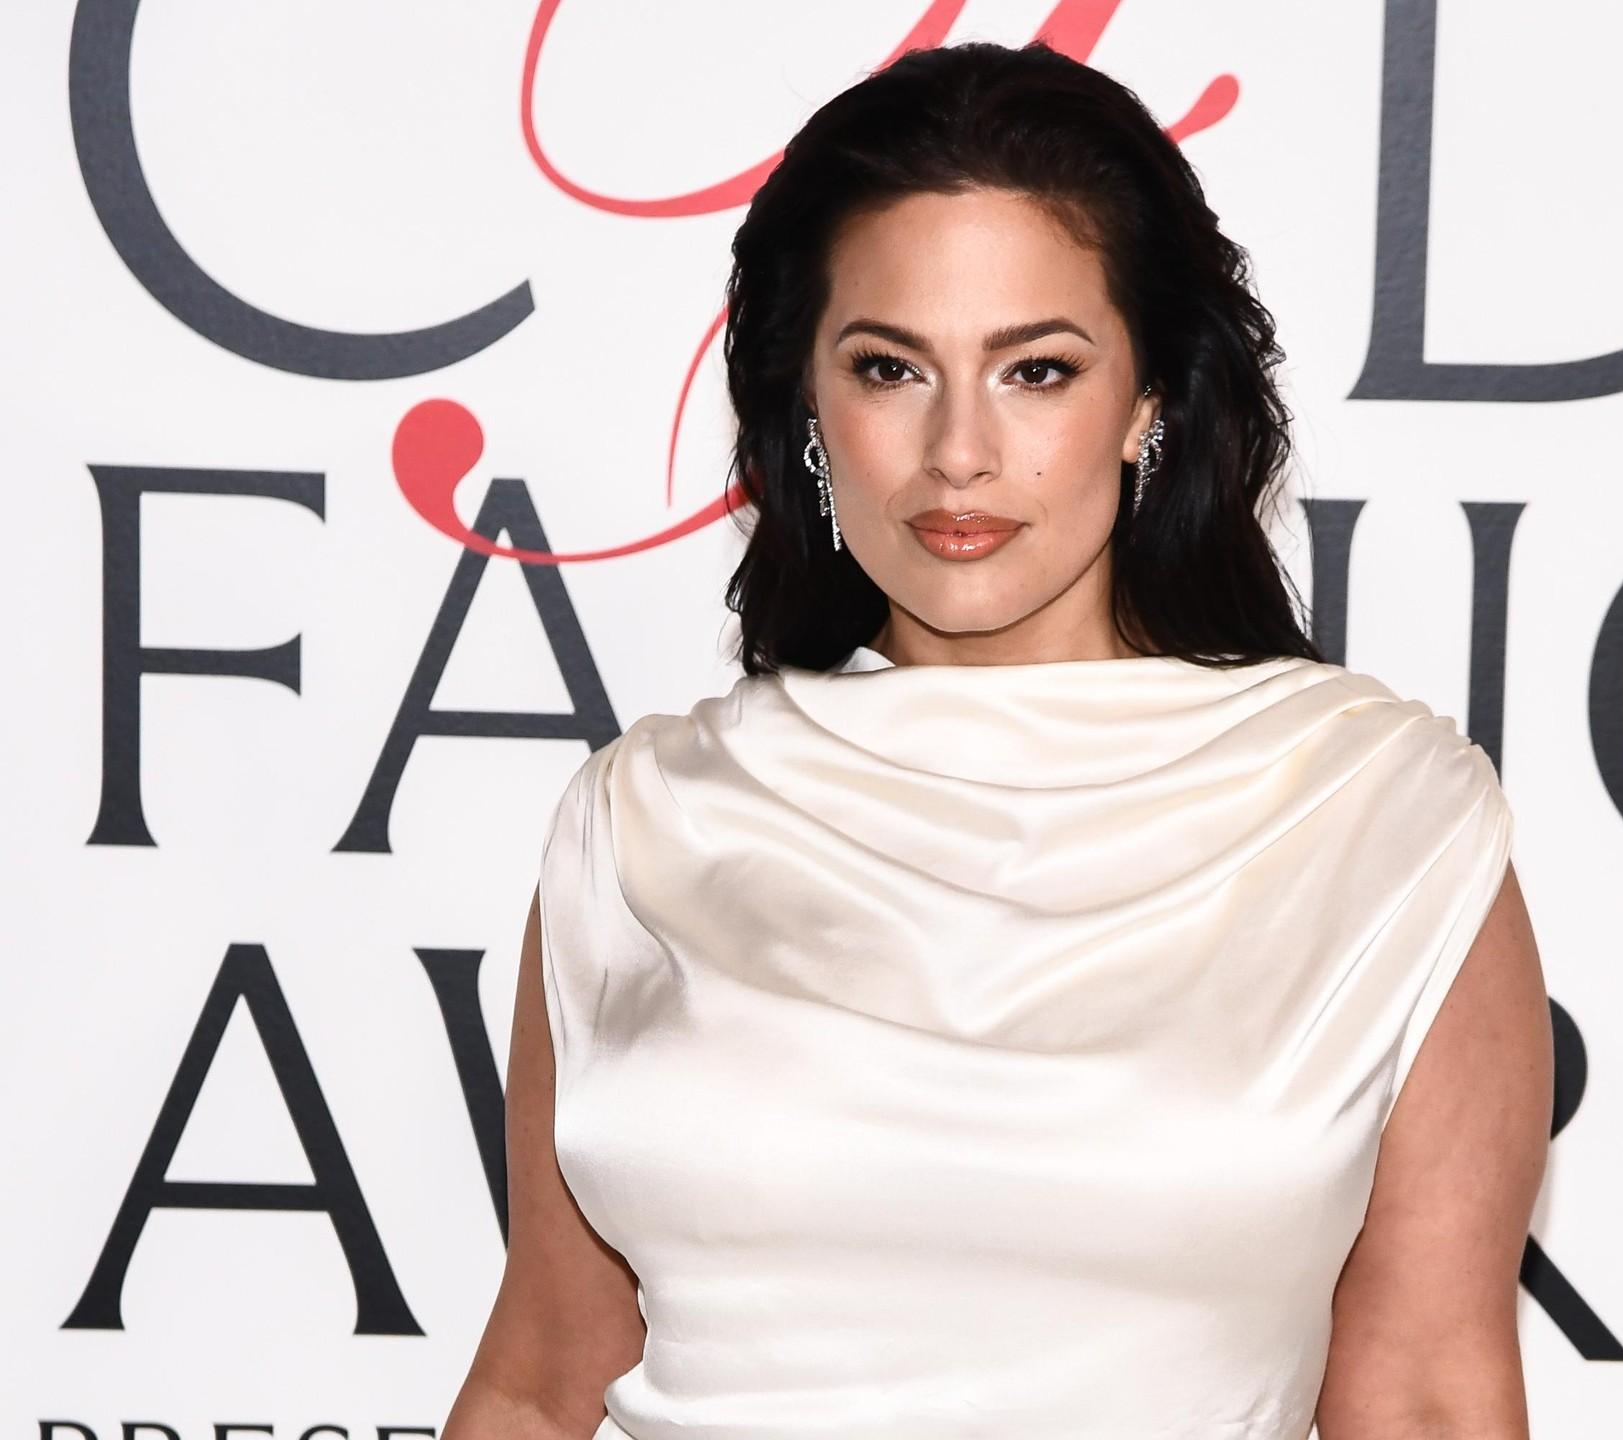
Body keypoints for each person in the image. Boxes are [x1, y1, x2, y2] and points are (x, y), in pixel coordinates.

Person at [445, 38, 1551, 1440]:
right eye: (890, 368)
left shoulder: (1384, 823)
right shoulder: (643, 826)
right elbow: (539, 1383)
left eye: (1036, 370)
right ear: (806, 407)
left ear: (1148, 402)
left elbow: (1427, 1398)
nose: (959, 451)